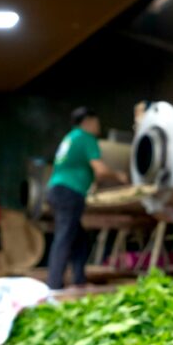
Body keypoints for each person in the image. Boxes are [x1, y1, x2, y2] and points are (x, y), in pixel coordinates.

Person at [46, 107, 127, 289]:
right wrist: (119, 176)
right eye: (96, 122)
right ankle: (54, 285)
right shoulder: (86, 138)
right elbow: (100, 169)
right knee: (65, 237)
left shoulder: (70, 138)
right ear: (88, 121)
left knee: (79, 239)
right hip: (69, 192)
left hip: (56, 189)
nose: (98, 126)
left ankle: (79, 279)